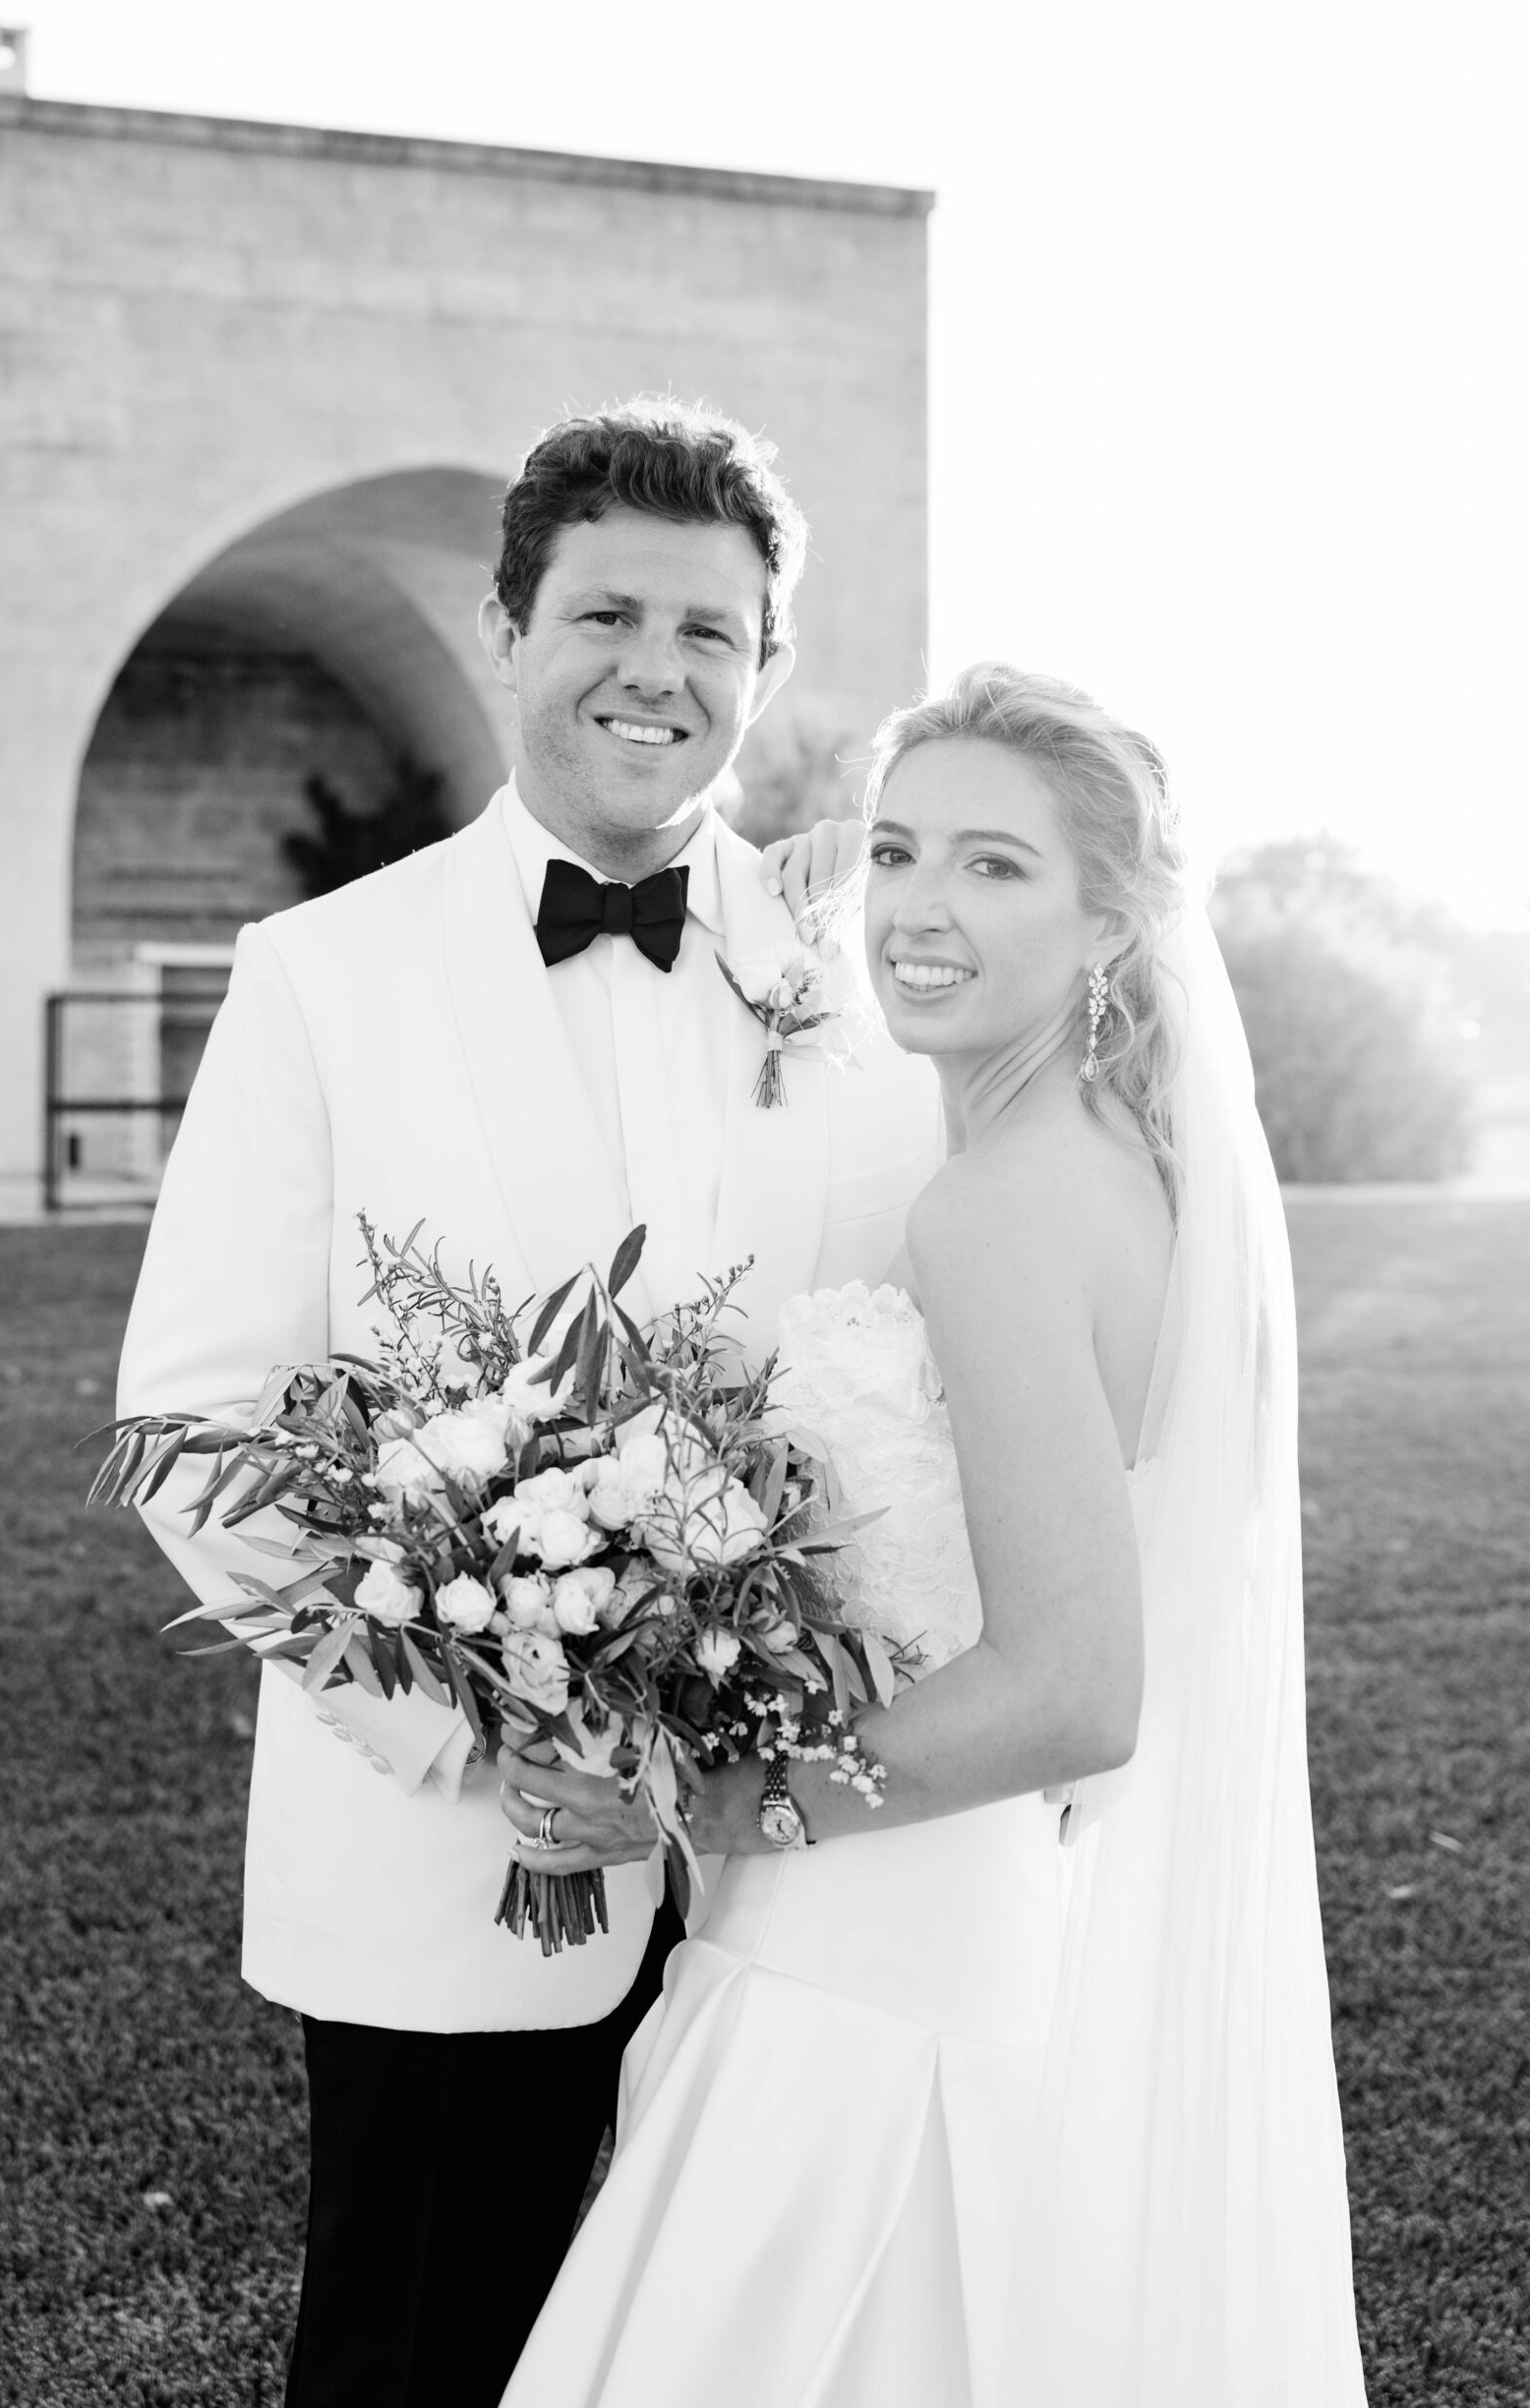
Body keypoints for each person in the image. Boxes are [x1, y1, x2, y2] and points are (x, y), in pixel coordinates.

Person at [115, 395, 941, 2408]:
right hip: (446, 1860)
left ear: (767, 668)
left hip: (794, 1867)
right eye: (608, 613)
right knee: (417, 2343)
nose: (656, 671)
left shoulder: (857, 982)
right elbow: (194, 1408)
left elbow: (913, 1372)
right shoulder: (320, 974)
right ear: (508, 626)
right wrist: (483, 1722)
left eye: (712, 632)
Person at [496, 664, 1369, 2407]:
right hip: (963, 1923)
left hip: (874, 1975)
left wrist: (697, 1801)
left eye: (996, 866)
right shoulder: (1119, 1163)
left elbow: (1073, 1693)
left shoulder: (999, 1209)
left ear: (1116, 920)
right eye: (898, 852)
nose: (917, 905)